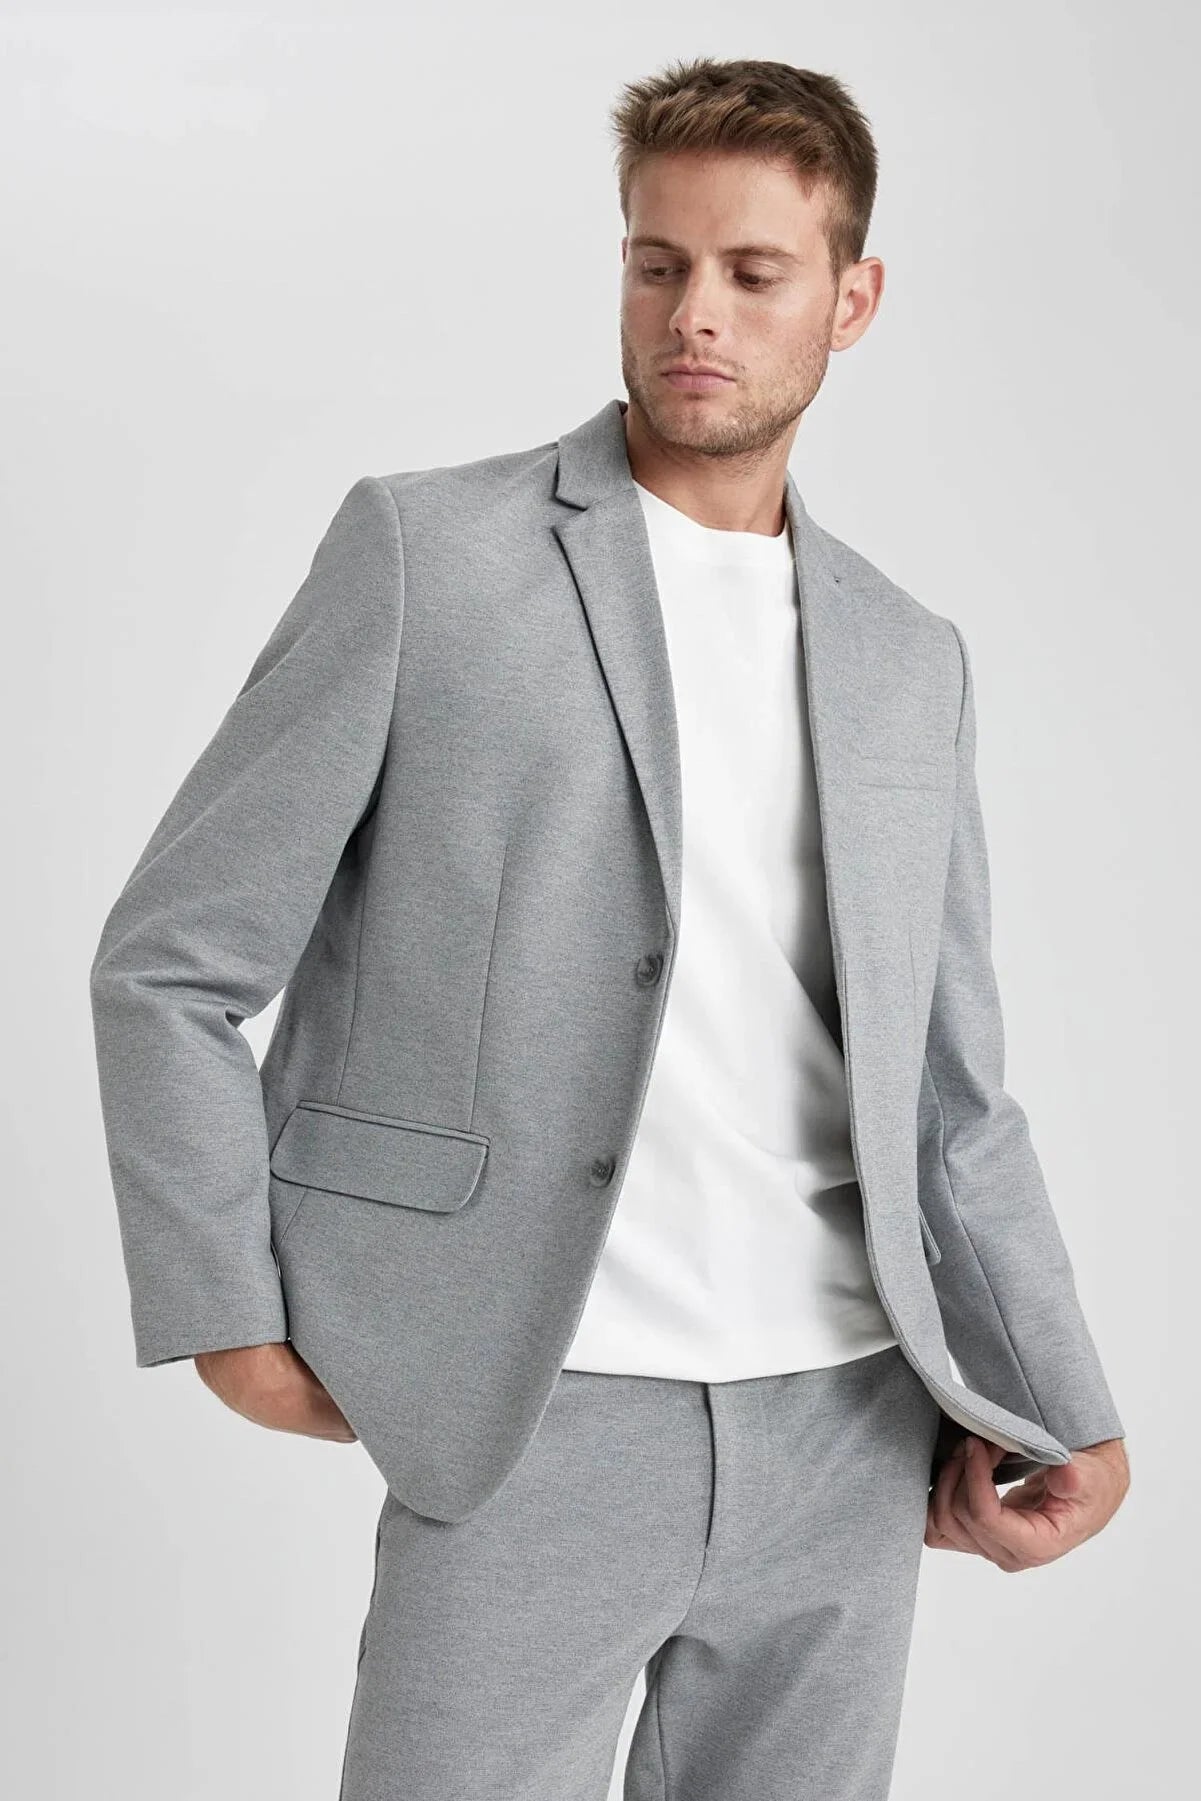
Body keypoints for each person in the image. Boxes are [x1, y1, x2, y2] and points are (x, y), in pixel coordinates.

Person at [89, 55, 1130, 1801]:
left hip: (845, 1421)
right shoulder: (428, 556)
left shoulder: (906, 656)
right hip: (528, 1403)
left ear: (851, 299)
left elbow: (951, 1090)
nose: (692, 314)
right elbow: (170, 963)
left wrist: (1058, 1391)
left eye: (752, 272)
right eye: (658, 264)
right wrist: (222, 1309)